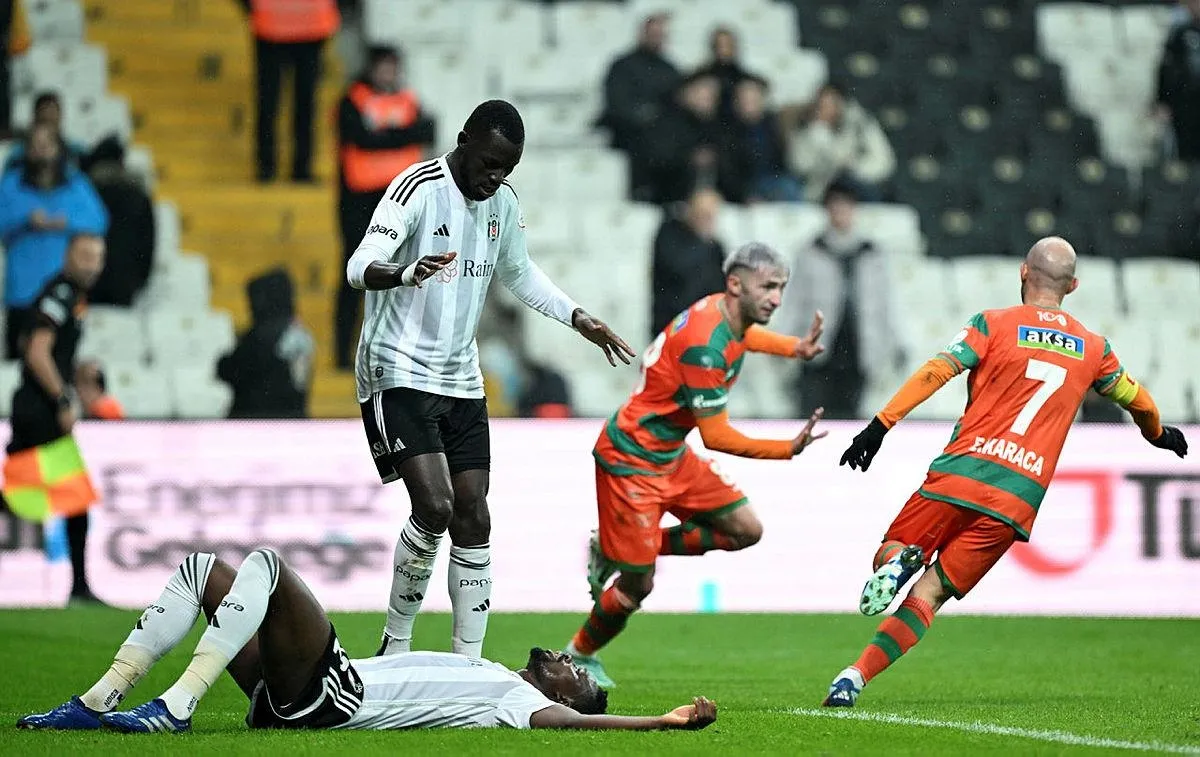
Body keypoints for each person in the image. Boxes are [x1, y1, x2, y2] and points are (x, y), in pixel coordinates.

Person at [822, 237, 1190, 708]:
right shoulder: (1095, 348)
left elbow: (937, 372)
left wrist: (880, 426)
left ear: (1022, 272)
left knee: (887, 556)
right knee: (931, 595)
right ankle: (854, 676)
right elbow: (1138, 399)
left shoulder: (992, 324)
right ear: (1073, 286)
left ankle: (900, 561)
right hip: (1017, 497)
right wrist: (1158, 434)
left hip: (962, 471)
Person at [346, 99, 635, 660]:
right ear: (463, 141)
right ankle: (395, 647)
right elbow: (359, 267)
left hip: (460, 378)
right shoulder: (415, 190)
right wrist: (407, 271)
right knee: (434, 506)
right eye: (487, 163)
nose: (494, 177)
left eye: (506, 168)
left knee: (473, 513)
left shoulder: (502, 202)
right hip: (398, 370)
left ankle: (468, 663)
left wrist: (577, 317)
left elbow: (521, 274)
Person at [16, 549, 718, 732]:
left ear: (563, 697)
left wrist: (663, 718)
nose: (562, 660)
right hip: (307, 692)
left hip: (334, 695)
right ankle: (98, 698)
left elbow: (581, 726)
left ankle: (173, 707)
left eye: (572, 672)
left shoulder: (515, 701)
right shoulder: (491, 671)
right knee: (207, 573)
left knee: (266, 565)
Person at [563, 242, 828, 689]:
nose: (776, 298)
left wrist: (793, 349)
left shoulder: (721, 313)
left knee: (745, 529)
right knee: (637, 584)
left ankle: (616, 547)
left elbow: (744, 338)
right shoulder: (703, 348)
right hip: (631, 460)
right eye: (768, 286)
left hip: (670, 454)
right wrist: (786, 448)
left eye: (781, 288)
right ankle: (579, 654)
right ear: (736, 284)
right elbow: (717, 437)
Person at [4, 234, 107, 603]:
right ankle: (79, 588)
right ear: (68, 257)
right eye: (85, 256)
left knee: (37, 497)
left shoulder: (70, 296)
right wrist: (62, 397)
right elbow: (35, 351)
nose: (92, 264)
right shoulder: (60, 294)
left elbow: (32, 345)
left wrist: (78, 375)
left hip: (34, 407)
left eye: (98, 257)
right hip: (38, 410)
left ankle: (80, 587)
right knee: (62, 498)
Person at [335, 45, 436, 369]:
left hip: (400, 200)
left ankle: (401, 351)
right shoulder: (353, 100)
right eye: (383, 67)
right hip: (359, 202)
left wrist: (383, 135)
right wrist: (401, 136)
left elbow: (426, 130)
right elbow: (359, 138)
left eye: (393, 67)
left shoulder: (409, 100)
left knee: (406, 275)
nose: (388, 74)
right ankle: (342, 353)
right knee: (354, 274)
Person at [782, 179, 903, 419]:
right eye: (835, 206)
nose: (841, 213)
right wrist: (787, 342)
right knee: (811, 417)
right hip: (820, 350)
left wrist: (896, 342)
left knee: (850, 422)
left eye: (846, 206)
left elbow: (886, 302)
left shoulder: (872, 254)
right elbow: (794, 301)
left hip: (858, 348)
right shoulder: (810, 252)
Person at [0, 122, 108, 359]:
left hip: (61, 292)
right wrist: (25, 220)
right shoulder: (11, 184)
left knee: (60, 361)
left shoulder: (75, 184)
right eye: (35, 145)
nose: (40, 151)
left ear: (59, 148)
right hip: (22, 293)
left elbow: (99, 220)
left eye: (46, 145)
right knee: (20, 365)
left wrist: (66, 222)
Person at [238, 0, 340, 182]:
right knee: (295, 105)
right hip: (300, 25)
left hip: (286, 26)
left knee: (276, 104)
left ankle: (270, 169)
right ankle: (292, 169)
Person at [598, 12, 682, 198]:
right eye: (652, 33)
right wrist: (644, 117)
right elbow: (616, 102)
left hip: (662, 134)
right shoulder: (621, 65)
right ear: (641, 34)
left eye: (660, 34)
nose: (656, 38)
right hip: (627, 131)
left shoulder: (670, 70)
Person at [217, 267, 314, 419]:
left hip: (256, 422)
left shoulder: (262, 335)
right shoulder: (300, 334)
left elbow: (227, 369)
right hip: (292, 420)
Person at [785, 83, 895, 203]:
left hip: (859, 185)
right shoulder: (805, 129)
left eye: (829, 104)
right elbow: (798, 165)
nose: (824, 109)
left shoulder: (861, 123)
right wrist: (819, 136)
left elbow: (884, 161)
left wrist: (854, 167)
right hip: (821, 188)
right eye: (820, 105)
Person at [80, 136, 156, 307]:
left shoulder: (86, 194)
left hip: (89, 278)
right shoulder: (139, 196)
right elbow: (148, 242)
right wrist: (139, 279)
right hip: (125, 280)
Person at [650, 187, 726, 337]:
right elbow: (677, 269)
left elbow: (722, 286)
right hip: (670, 327)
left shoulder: (714, 246)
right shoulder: (669, 233)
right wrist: (703, 242)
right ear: (690, 210)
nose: (707, 220)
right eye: (703, 214)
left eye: (711, 216)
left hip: (704, 329)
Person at [732, 78, 803, 203]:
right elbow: (730, 172)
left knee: (791, 187)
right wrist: (744, 195)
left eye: (753, 100)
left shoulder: (774, 124)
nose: (749, 105)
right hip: (748, 185)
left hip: (776, 180)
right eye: (745, 100)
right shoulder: (730, 131)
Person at [1155, 0, 1200, 161]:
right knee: (1186, 151)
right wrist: (1163, 100)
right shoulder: (1181, 33)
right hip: (1186, 103)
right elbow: (1166, 68)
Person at [2, 92, 88, 172]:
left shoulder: (75, 152)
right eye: (44, 121)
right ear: (35, 119)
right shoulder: (18, 155)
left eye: (53, 121)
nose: (49, 130)